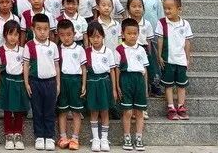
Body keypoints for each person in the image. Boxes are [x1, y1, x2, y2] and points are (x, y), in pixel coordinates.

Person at [23, 14, 60, 152]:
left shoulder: (53, 46)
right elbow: (26, 65)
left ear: (49, 29)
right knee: (37, 110)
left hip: (50, 82)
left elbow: (57, 66)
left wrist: (58, 84)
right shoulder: (29, 45)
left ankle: (49, 136)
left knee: (49, 111)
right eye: (39, 29)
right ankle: (39, 136)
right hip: (35, 82)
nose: (42, 32)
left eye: (45, 29)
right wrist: (26, 83)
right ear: (33, 29)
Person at [155, 0, 193, 121]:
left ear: (179, 9)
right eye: (165, 8)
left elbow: (187, 42)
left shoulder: (185, 24)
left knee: (181, 85)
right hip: (168, 59)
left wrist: (187, 57)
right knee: (168, 84)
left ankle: (181, 106)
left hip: (181, 59)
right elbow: (160, 39)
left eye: (170, 8)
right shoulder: (162, 23)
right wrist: (159, 55)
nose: (167, 11)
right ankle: (171, 107)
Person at [85, 22, 118, 153]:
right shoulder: (87, 52)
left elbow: (112, 71)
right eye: (92, 37)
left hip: (105, 83)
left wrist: (114, 89)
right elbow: (84, 70)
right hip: (92, 83)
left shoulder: (108, 52)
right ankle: (95, 138)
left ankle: (104, 138)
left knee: (104, 111)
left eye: (98, 36)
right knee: (94, 111)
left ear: (103, 36)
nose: (95, 39)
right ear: (88, 38)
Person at [116, 19, 149, 151]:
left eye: (135, 33)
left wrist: (145, 87)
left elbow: (145, 70)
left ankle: (139, 138)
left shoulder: (141, 49)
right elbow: (117, 69)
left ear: (138, 34)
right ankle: (127, 137)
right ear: (123, 34)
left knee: (140, 111)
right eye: (129, 33)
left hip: (139, 80)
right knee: (128, 111)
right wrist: (117, 86)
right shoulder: (119, 49)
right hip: (126, 79)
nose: (132, 36)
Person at [0, 20, 28, 150]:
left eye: (16, 34)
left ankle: (18, 134)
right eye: (10, 34)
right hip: (6, 82)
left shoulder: (23, 50)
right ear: (5, 35)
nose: (13, 37)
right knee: (8, 110)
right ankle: (9, 134)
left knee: (19, 110)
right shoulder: (0, 50)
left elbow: (26, 67)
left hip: (19, 82)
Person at [56, 19, 86, 151]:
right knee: (62, 110)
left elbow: (83, 68)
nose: (66, 38)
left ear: (74, 34)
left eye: (69, 34)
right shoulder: (57, 49)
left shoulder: (79, 49)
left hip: (76, 81)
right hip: (63, 80)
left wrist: (83, 84)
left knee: (76, 111)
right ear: (58, 35)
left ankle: (75, 138)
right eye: (62, 35)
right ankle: (63, 137)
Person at [135, 0, 164, 96]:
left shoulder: (156, 0)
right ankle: (143, 86)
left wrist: (161, 34)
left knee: (153, 61)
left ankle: (155, 85)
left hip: (154, 36)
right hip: (139, 36)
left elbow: (161, 18)